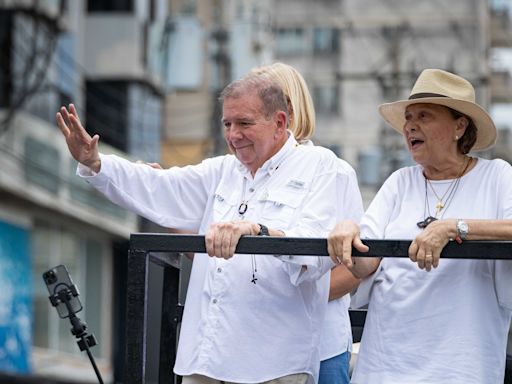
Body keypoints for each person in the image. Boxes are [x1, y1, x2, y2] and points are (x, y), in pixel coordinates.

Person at [57, 74, 348, 384]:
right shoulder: (222, 170)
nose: (234, 135)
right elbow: (160, 187)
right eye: (227, 125)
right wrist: (97, 163)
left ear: (279, 122)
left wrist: (259, 233)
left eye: (244, 124)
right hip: (205, 360)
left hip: (273, 363)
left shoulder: (322, 167)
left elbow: (315, 255)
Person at [327, 68, 512, 383]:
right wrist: (347, 232)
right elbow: (365, 262)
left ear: (459, 126)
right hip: (386, 361)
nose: (410, 125)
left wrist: (455, 227)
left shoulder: (496, 176)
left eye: (424, 116)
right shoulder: (400, 181)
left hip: (461, 362)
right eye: (408, 118)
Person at [252, 62, 362, 384]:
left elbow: (353, 265)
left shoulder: (332, 170)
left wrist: (292, 294)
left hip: (320, 345)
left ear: (287, 108)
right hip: (255, 346)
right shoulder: (240, 175)